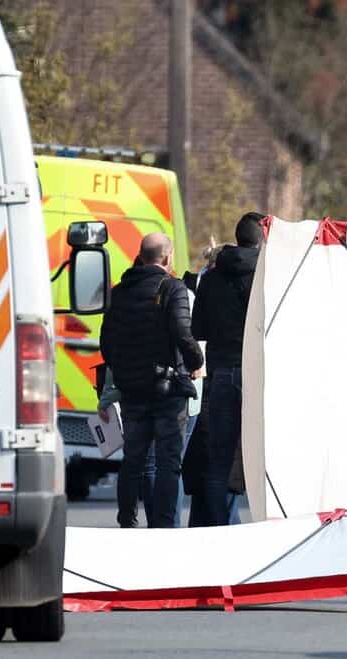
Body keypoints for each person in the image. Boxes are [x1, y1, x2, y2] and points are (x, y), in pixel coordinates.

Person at [100, 233, 204, 529]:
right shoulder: (173, 287)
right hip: (168, 391)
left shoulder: (118, 292)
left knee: (133, 458)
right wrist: (196, 362)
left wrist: (123, 370)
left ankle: (127, 522)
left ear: (141, 255)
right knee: (169, 462)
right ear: (168, 257)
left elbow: (106, 343)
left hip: (132, 390)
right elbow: (182, 331)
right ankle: (163, 528)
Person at [191, 212, 265, 527]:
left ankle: (220, 532)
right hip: (258, 375)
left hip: (221, 372)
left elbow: (198, 329)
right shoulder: (268, 275)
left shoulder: (211, 277)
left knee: (218, 460)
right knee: (266, 460)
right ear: (262, 238)